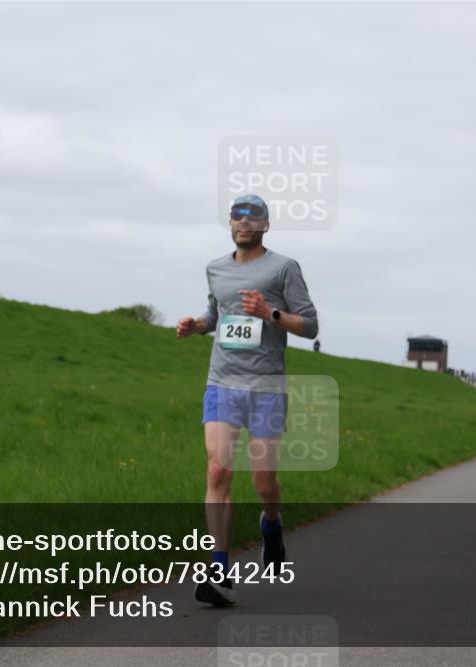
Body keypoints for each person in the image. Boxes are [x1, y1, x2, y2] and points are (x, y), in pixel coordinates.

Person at [177, 194, 319, 607]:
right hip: (222, 382)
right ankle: (219, 569)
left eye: (252, 216)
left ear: (265, 225)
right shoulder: (215, 268)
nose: (243, 222)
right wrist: (197, 325)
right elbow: (216, 314)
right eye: (237, 216)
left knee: (263, 482)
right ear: (230, 224)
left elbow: (309, 325)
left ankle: (271, 525)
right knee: (219, 469)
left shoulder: (284, 268)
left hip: (267, 388)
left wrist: (270, 313)